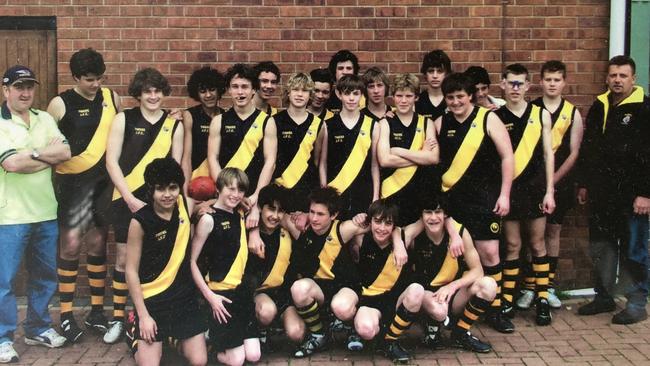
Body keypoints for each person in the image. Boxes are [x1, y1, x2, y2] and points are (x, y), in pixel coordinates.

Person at [46, 48, 121, 342]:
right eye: (89, 80)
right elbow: (50, 146)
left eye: (99, 78)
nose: (96, 84)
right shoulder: (59, 104)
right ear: (75, 77)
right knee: (69, 247)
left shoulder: (112, 99)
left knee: (98, 244)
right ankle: (65, 316)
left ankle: (97, 313)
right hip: (72, 185)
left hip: (103, 185)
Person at [105, 68, 184, 344]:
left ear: (164, 93)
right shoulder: (123, 119)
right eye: (147, 91)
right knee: (125, 259)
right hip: (126, 199)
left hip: (160, 205)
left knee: (160, 257)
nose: (153, 96)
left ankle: (153, 315)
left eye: (158, 91)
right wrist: (128, 197)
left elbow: (174, 170)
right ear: (138, 93)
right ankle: (117, 318)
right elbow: (111, 162)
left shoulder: (174, 124)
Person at [280, 187, 405, 358]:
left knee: (342, 307)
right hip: (319, 289)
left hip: (345, 287)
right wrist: (299, 214)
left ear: (333, 215)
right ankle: (319, 335)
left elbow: (385, 225)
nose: (314, 218)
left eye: (321, 214)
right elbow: (274, 217)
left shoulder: (343, 229)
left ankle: (352, 328)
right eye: (312, 212)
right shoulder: (301, 227)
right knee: (298, 289)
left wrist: (398, 243)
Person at [0, 65, 71, 363]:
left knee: (44, 276)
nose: (25, 92)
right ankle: (3, 338)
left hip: (45, 211)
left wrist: (29, 153)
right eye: (18, 87)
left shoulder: (44, 119)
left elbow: (65, 153)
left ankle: (37, 328)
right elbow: (10, 165)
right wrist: (44, 154)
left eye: (29, 86)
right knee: (4, 282)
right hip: (10, 216)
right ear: (6, 91)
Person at [435, 72, 513, 333]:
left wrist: (504, 194)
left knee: (490, 253)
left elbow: (507, 157)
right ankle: (462, 307)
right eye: (450, 97)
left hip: (484, 199)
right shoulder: (440, 123)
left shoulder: (488, 118)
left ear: (470, 95)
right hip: (453, 201)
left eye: (460, 96)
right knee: (456, 254)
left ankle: (496, 308)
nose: (456, 102)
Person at [577, 55, 650, 324]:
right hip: (601, 193)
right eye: (613, 76)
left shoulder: (644, 108)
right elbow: (589, 148)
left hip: (633, 197)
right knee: (603, 247)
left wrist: (646, 192)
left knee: (634, 248)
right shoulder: (600, 105)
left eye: (623, 76)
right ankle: (604, 296)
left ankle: (637, 301)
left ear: (634, 79)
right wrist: (584, 183)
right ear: (607, 78)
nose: (617, 80)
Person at [124, 158, 207, 366]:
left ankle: (169, 339)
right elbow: (131, 271)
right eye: (160, 189)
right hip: (153, 301)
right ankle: (133, 332)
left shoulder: (185, 205)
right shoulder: (140, 221)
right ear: (151, 190)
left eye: (173, 188)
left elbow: (210, 204)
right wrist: (143, 315)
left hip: (183, 299)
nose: (168, 194)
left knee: (199, 361)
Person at [518, 60, 583, 311]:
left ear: (564, 82)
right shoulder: (531, 109)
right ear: (541, 82)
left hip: (559, 183)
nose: (552, 84)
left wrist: (552, 181)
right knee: (528, 236)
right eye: (548, 79)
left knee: (552, 234)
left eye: (557, 80)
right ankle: (530, 286)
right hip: (531, 184)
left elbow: (574, 152)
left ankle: (549, 286)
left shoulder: (572, 112)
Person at [495, 63, 555, 326]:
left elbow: (548, 155)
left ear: (528, 86)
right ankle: (507, 298)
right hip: (509, 191)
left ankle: (542, 298)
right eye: (511, 83)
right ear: (503, 85)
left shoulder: (540, 115)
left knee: (538, 244)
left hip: (535, 190)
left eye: (520, 83)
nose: (516, 88)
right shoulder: (495, 116)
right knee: (512, 246)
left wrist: (550, 191)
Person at [401, 194, 497, 353]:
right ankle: (431, 327)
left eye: (438, 212)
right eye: (428, 212)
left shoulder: (459, 232)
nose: (433, 217)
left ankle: (460, 333)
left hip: (451, 295)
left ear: (445, 215)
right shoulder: (415, 233)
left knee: (488, 285)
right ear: (421, 215)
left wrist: (452, 287)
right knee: (438, 310)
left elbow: (477, 270)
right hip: (425, 295)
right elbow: (398, 234)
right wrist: (398, 243)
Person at [190, 168, 261, 366]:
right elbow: (192, 262)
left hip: (241, 295)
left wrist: (254, 209)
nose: (235, 195)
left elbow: (253, 205)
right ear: (219, 188)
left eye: (240, 191)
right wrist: (210, 298)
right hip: (220, 297)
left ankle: (215, 336)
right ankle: (209, 340)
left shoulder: (240, 211)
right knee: (237, 360)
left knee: (254, 356)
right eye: (230, 189)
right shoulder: (208, 219)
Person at [351, 200, 423, 363]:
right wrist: (359, 217)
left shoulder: (404, 236)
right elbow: (344, 226)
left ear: (394, 225)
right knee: (366, 329)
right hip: (370, 301)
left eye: (388, 223)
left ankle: (390, 342)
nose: (382, 228)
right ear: (371, 222)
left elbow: (426, 221)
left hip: (396, 300)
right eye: (377, 221)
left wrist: (455, 235)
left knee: (417, 290)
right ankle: (376, 332)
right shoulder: (361, 238)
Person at [207, 63, 277, 228]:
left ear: (254, 90)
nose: (240, 92)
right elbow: (212, 158)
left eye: (245, 87)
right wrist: (227, 192)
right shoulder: (218, 121)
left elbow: (270, 162)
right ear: (229, 90)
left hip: (253, 199)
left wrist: (256, 197)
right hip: (226, 197)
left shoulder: (267, 121)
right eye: (235, 87)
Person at [244, 184, 304, 350]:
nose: (275, 216)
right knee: (267, 311)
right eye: (271, 209)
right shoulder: (248, 232)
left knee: (297, 334)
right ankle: (262, 329)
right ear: (260, 209)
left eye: (280, 211)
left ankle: (275, 325)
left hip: (282, 294)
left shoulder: (286, 233)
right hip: (259, 294)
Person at [377, 72, 438, 226]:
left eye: (409, 96)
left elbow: (433, 158)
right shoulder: (385, 123)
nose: (403, 101)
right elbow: (384, 160)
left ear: (416, 97)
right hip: (391, 194)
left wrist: (398, 151)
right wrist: (421, 155)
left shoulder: (426, 123)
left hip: (419, 195)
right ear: (393, 97)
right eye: (399, 96)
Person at [319, 75, 379, 220]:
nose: (351, 98)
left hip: (363, 194)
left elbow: (375, 166)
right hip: (337, 195)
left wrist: (375, 197)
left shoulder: (373, 125)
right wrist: (325, 196)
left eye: (356, 93)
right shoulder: (327, 125)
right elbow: (323, 164)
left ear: (362, 95)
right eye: (347, 93)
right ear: (339, 94)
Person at [272, 73, 325, 212]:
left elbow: (317, 161)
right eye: (296, 90)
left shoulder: (318, 124)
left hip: (306, 191)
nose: (300, 94)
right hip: (281, 188)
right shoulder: (275, 121)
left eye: (305, 90)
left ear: (310, 95)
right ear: (288, 93)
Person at [182, 66, 225, 183]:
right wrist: (186, 193)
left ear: (219, 90)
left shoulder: (225, 116)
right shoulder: (190, 115)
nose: (208, 95)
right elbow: (186, 158)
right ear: (196, 94)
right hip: (196, 178)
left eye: (212, 89)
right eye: (202, 91)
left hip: (219, 178)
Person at [415, 50, 451, 121]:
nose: (435, 76)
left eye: (439, 71)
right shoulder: (418, 101)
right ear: (425, 74)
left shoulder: (453, 99)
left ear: (446, 74)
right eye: (431, 71)